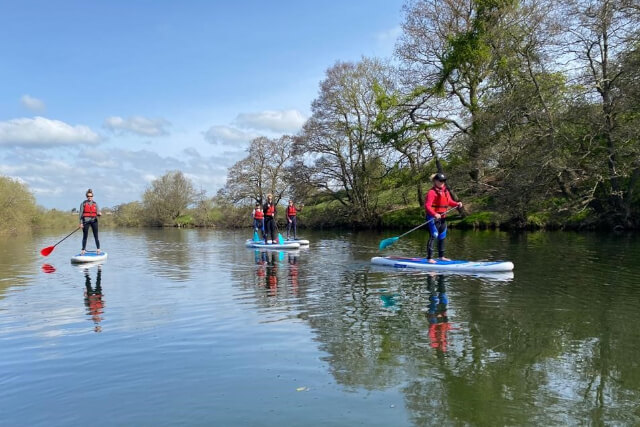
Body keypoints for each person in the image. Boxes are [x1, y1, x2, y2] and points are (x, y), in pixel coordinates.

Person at [424, 173, 462, 263]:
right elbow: (427, 206)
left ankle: (441, 257)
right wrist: (434, 214)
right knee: (434, 235)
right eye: (440, 181)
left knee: (442, 236)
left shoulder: (445, 191)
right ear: (435, 181)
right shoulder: (432, 192)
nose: (442, 182)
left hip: (443, 217)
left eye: (444, 181)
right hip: (432, 217)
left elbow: (449, 202)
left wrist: (457, 203)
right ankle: (429, 258)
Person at [79, 188, 101, 255]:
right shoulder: (83, 203)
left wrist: (99, 214)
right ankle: (83, 250)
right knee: (85, 236)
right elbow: (80, 214)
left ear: (92, 196)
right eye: (88, 196)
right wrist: (80, 223)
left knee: (96, 236)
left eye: (91, 196)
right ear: (86, 197)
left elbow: (97, 213)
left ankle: (98, 249)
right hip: (86, 221)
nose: (90, 197)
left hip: (94, 221)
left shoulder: (95, 204)